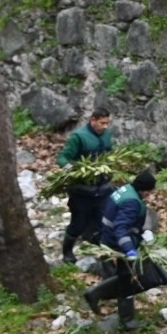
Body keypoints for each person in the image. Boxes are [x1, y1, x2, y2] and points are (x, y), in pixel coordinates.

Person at [83, 170, 167, 331]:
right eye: (150, 192)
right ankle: (127, 320)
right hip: (118, 244)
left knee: (124, 277)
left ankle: (95, 294)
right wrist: (129, 250)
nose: (150, 195)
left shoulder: (126, 189)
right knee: (127, 280)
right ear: (145, 190)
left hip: (108, 237)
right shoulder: (132, 202)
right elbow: (121, 229)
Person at [56, 107, 115, 263]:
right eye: (102, 123)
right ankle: (67, 252)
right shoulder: (78, 137)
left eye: (107, 123)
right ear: (93, 120)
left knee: (104, 222)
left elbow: (110, 153)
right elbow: (63, 158)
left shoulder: (107, 135)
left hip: (103, 191)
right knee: (79, 223)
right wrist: (74, 170)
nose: (105, 126)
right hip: (82, 192)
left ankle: (101, 252)